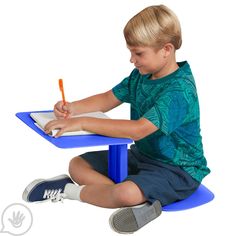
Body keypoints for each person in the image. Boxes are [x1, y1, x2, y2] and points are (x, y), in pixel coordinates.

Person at [22, 5, 210, 234]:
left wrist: (82, 123)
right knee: (77, 165)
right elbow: (107, 98)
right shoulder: (141, 76)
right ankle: (139, 203)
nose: (132, 59)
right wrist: (72, 109)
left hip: (178, 171)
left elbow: (138, 130)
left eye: (138, 53)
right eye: (130, 52)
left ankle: (70, 191)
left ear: (166, 49)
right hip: (142, 157)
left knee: (125, 193)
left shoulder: (179, 91)